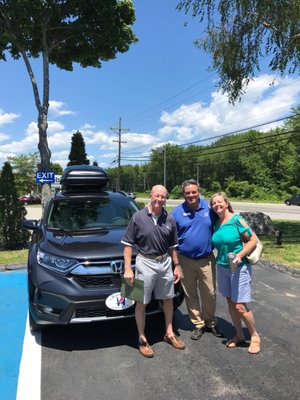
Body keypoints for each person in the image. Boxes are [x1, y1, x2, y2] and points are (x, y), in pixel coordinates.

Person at [122, 184, 185, 358]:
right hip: (144, 262)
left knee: (168, 299)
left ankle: (169, 333)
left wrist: (177, 266)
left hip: (164, 262)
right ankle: (142, 338)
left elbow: (173, 246)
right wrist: (128, 268)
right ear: (151, 196)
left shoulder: (170, 219)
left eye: (163, 197)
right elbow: (127, 244)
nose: (159, 199)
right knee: (140, 301)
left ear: (166, 198)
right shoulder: (138, 217)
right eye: (156, 196)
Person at [171, 179, 223, 340]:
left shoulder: (209, 207)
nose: (191, 195)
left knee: (210, 293)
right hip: (185, 259)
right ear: (183, 194)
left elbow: (224, 220)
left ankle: (210, 322)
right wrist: (176, 263)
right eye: (187, 193)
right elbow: (171, 239)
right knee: (190, 294)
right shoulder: (177, 212)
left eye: (194, 192)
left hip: (206, 259)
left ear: (198, 192)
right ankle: (198, 324)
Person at [210, 192, 261, 354]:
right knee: (230, 302)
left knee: (240, 305)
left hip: (239, 267)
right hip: (223, 266)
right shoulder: (217, 223)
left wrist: (240, 255)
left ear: (226, 203)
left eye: (220, 202)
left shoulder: (236, 220)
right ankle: (239, 335)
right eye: (214, 203)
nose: (217, 205)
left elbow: (252, 240)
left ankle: (254, 336)